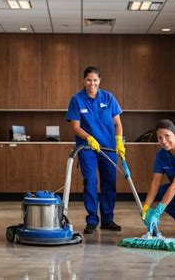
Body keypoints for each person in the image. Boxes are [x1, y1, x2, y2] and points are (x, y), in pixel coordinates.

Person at [66, 66, 125, 234]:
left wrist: (119, 140)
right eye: (89, 80)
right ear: (84, 80)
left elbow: (117, 123)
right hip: (87, 148)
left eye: (95, 80)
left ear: (100, 81)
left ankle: (108, 219)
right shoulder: (77, 100)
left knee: (109, 183)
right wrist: (89, 138)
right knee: (90, 181)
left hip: (108, 148)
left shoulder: (109, 98)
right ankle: (92, 220)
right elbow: (76, 127)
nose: (92, 83)